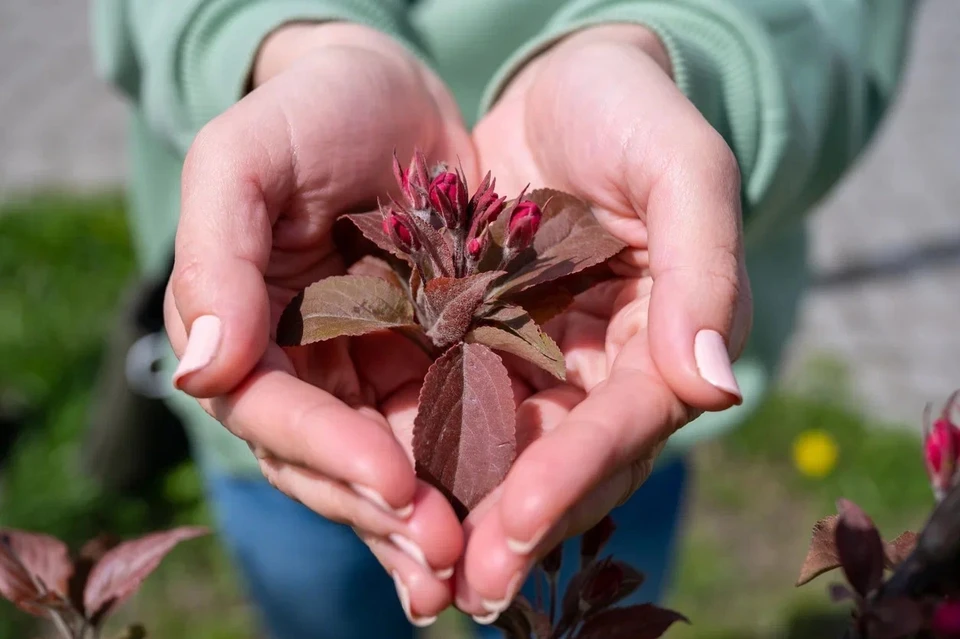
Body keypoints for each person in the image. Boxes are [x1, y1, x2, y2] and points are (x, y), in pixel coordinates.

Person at [91, 0, 917, 636]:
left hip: (607, 382)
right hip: (296, 375)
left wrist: (675, 55)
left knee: (564, 592)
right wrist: (283, 41)